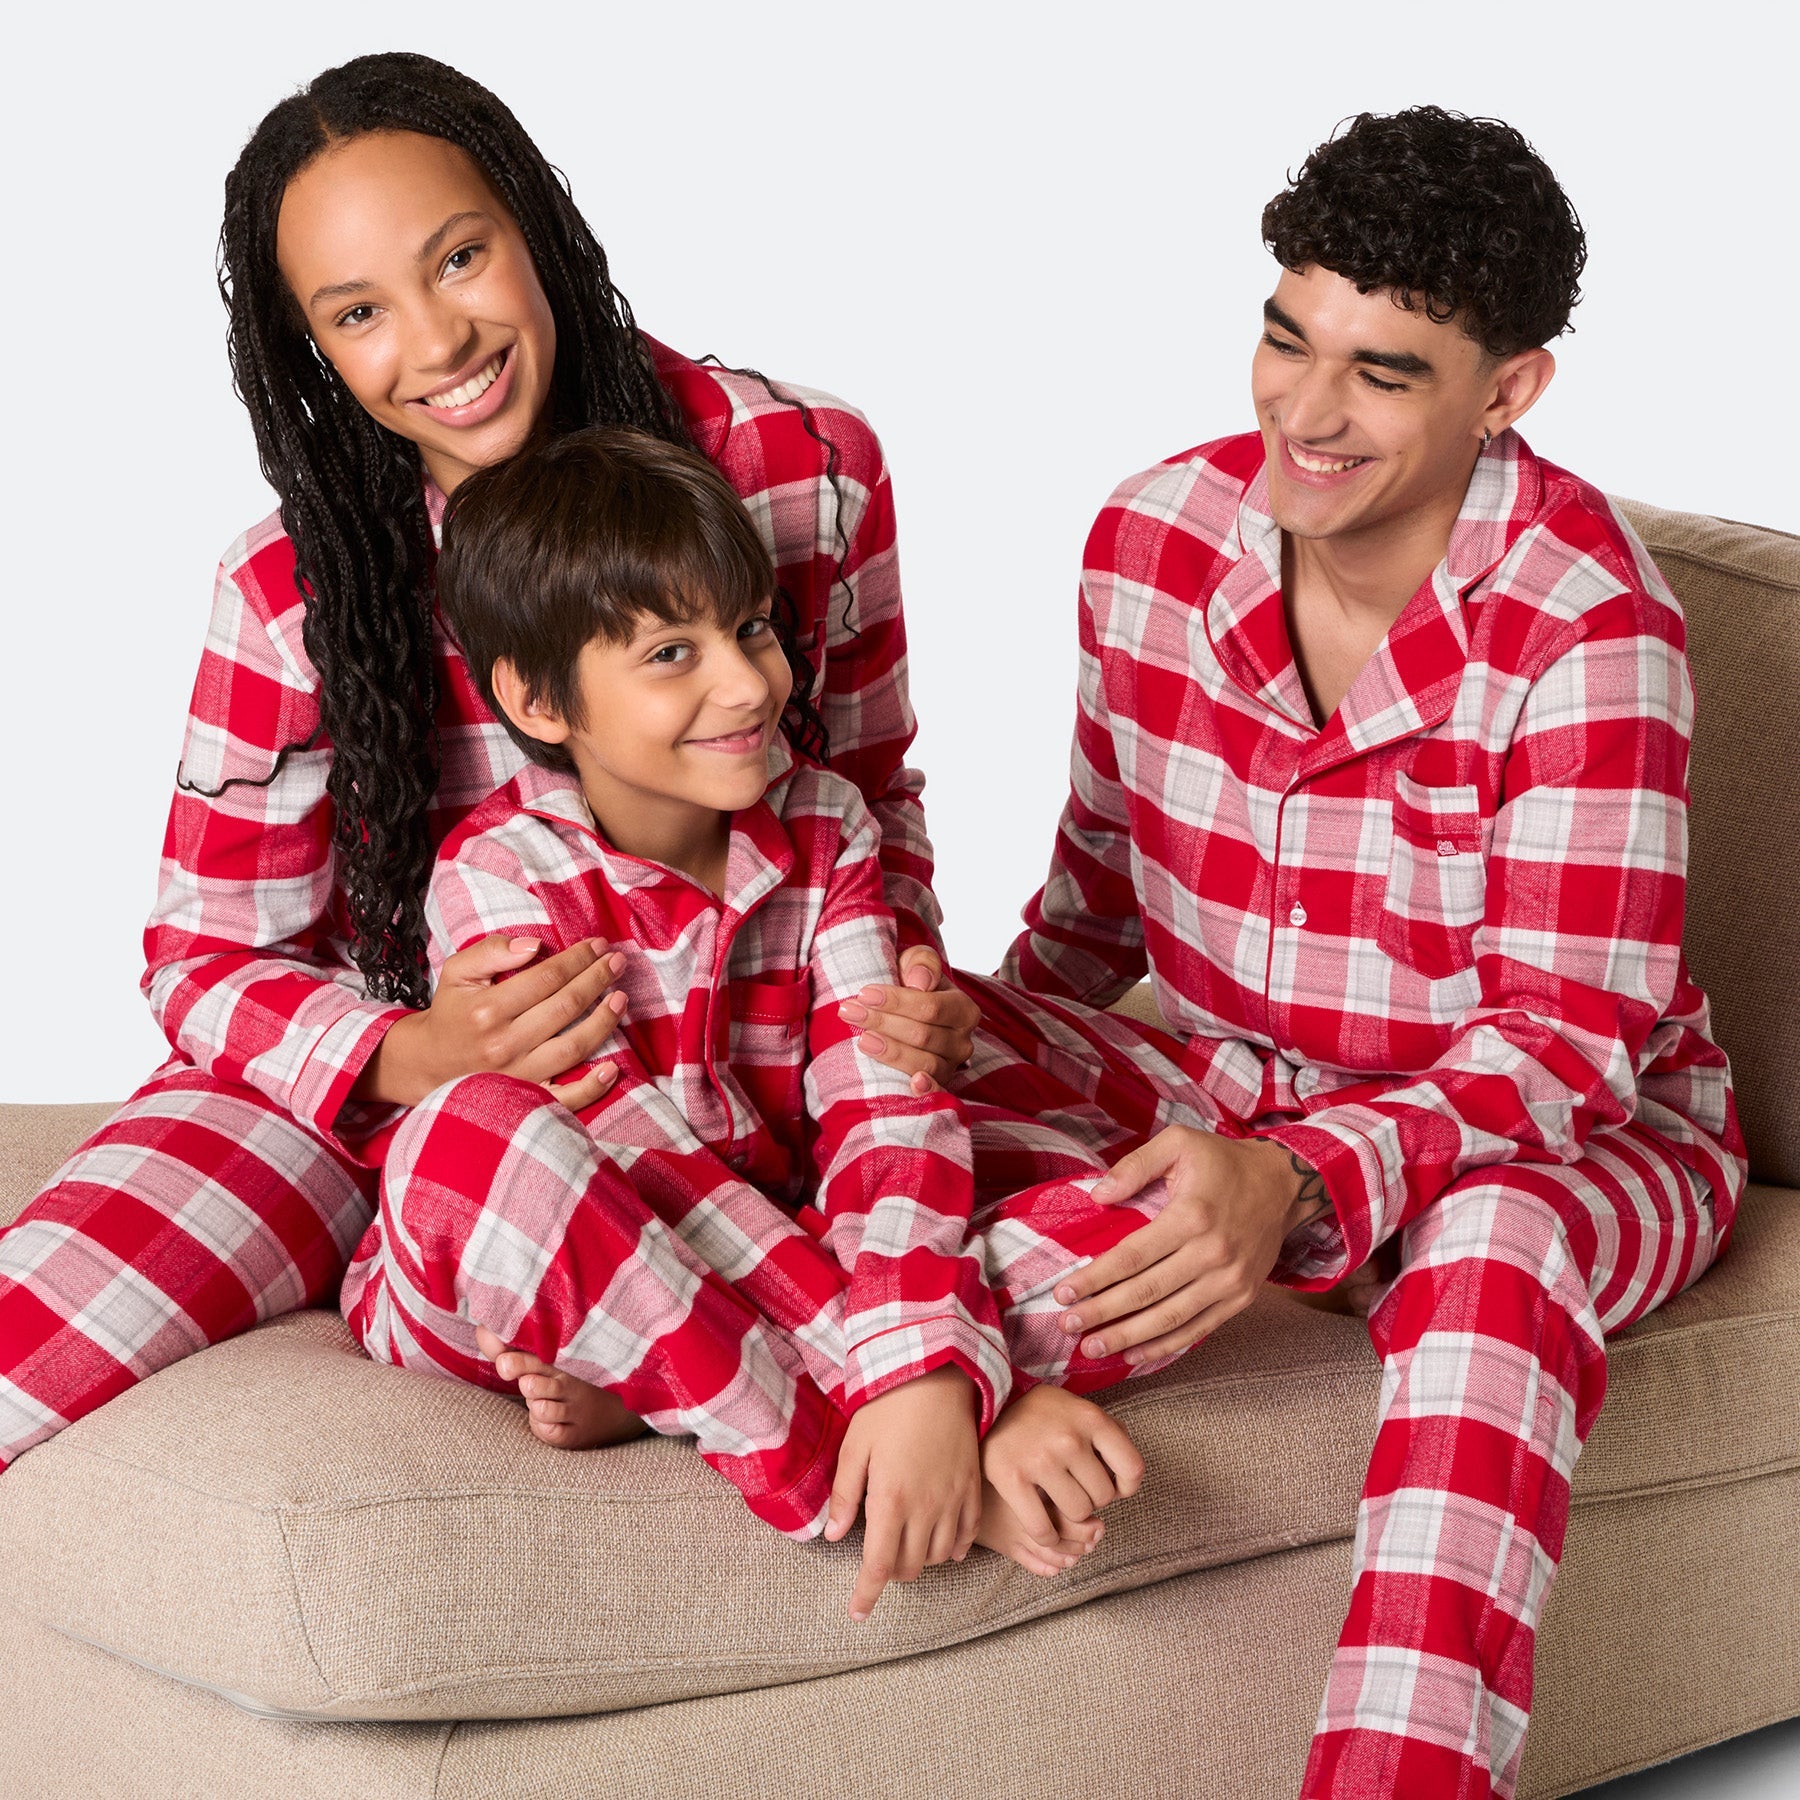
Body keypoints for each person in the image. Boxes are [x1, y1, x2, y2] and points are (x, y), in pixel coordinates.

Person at [856, 108, 1746, 1797]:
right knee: (877, 1014)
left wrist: (1298, 1179)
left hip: (1577, 1134)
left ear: (1508, 391)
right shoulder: (1151, 537)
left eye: (1382, 373)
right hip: (1230, 1085)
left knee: (1492, 1248)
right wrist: (977, 1040)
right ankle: (662, 1321)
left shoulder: (1591, 629)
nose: (1305, 410)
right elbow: (1094, 899)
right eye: (1287, 338)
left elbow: (1570, 1044)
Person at [0, 52, 970, 1472]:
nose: (439, 339)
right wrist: (414, 1052)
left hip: (720, 1050)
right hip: (374, 1070)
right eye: (359, 313)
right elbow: (203, 956)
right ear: (312, 352)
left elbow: (868, 799)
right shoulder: (293, 585)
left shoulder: (794, 465)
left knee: (1012, 1213)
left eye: (460, 257)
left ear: (534, 224)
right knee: (27, 1332)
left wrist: (909, 979)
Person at [346, 425, 1182, 1618]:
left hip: (771, 1242)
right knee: (472, 1138)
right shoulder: (500, 878)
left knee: (1157, 1212)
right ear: (537, 698)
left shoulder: (827, 822)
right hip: (548, 1259)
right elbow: (652, 1172)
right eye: (670, 653)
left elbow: (886, 1114)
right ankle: (866, 1475)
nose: (746, 685)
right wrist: (920, 1387)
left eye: (749, 630)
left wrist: (922, 1361)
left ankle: (670, 1385)